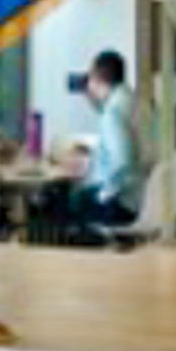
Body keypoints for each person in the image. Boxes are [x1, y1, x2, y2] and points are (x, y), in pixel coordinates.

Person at [68, 50, 142, 229]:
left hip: (119, 202)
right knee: (78, 195)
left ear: (96, 77)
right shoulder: (129, 99)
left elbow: (121, 161)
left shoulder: (112, 113)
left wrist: (104, 195)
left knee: (66, 201)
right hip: (138, 195)